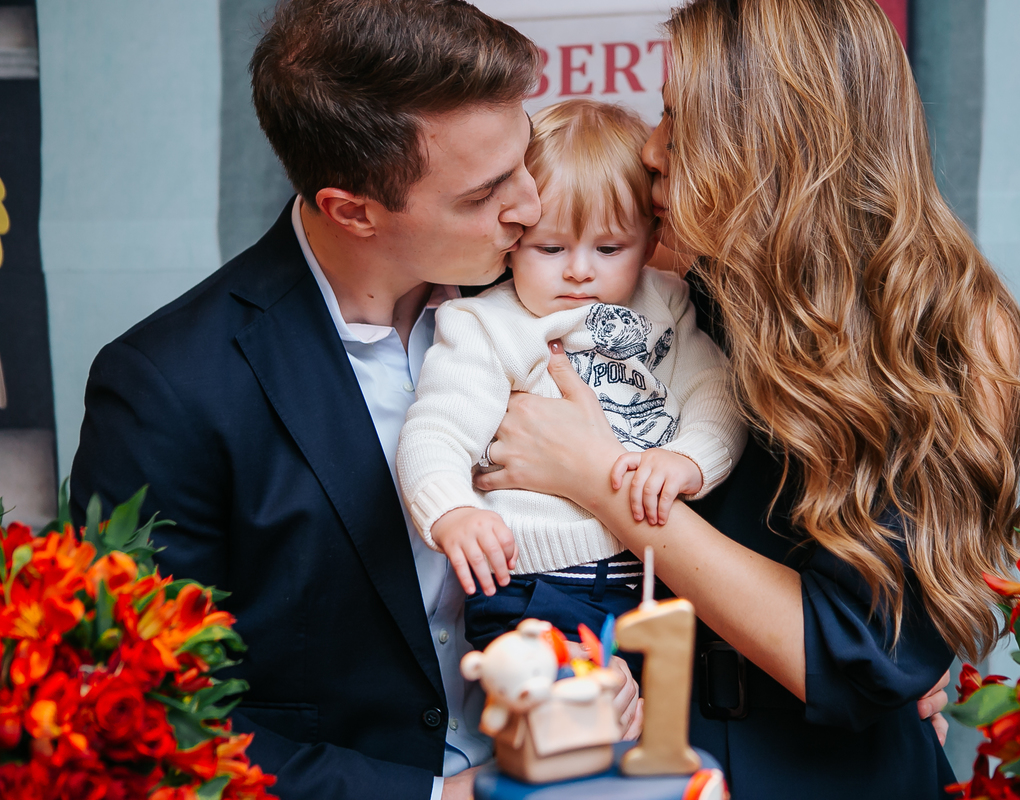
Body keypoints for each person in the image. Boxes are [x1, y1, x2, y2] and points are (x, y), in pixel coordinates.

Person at [472, 0, 1020, 797]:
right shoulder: (674, 279)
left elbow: (865, 654)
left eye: (680, 121)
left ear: (772, 143)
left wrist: (604, 481)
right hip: (656, 753)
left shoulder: (947, 329)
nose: (651, 148)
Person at [66, 3, 643, 799]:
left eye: (525, 159)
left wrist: (601, 668)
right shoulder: (170, 387)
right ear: (352, 210)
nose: (531, 206)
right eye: (483, 194)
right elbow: (154, 717)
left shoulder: (563, 303)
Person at [397, 99, 746, 651]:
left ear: (650, 242)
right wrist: (451, 510)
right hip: (537, 590)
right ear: (513, 243)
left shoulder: (667, 303)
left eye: (608, 248)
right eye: (551, 247)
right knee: (561, 698)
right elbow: (436, 429)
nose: (579, 270)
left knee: (652, 706)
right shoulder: (487, 325)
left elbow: (717, 393)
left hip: (658, 583)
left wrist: (690, 459)